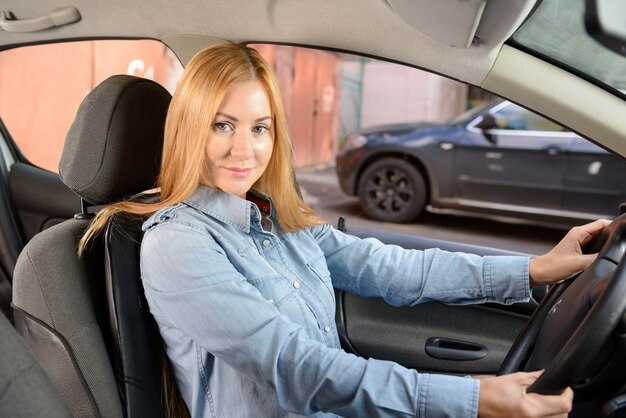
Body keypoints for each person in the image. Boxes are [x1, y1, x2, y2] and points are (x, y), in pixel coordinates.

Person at [80, 43, 608, 417]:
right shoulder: (177, 244)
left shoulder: (275, 218)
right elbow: (295, 366)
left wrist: (534, 269)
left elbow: (394, 269)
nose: (245, 149)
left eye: (260, 127)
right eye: (223, 124)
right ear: (190, 127)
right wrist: (473, 399)